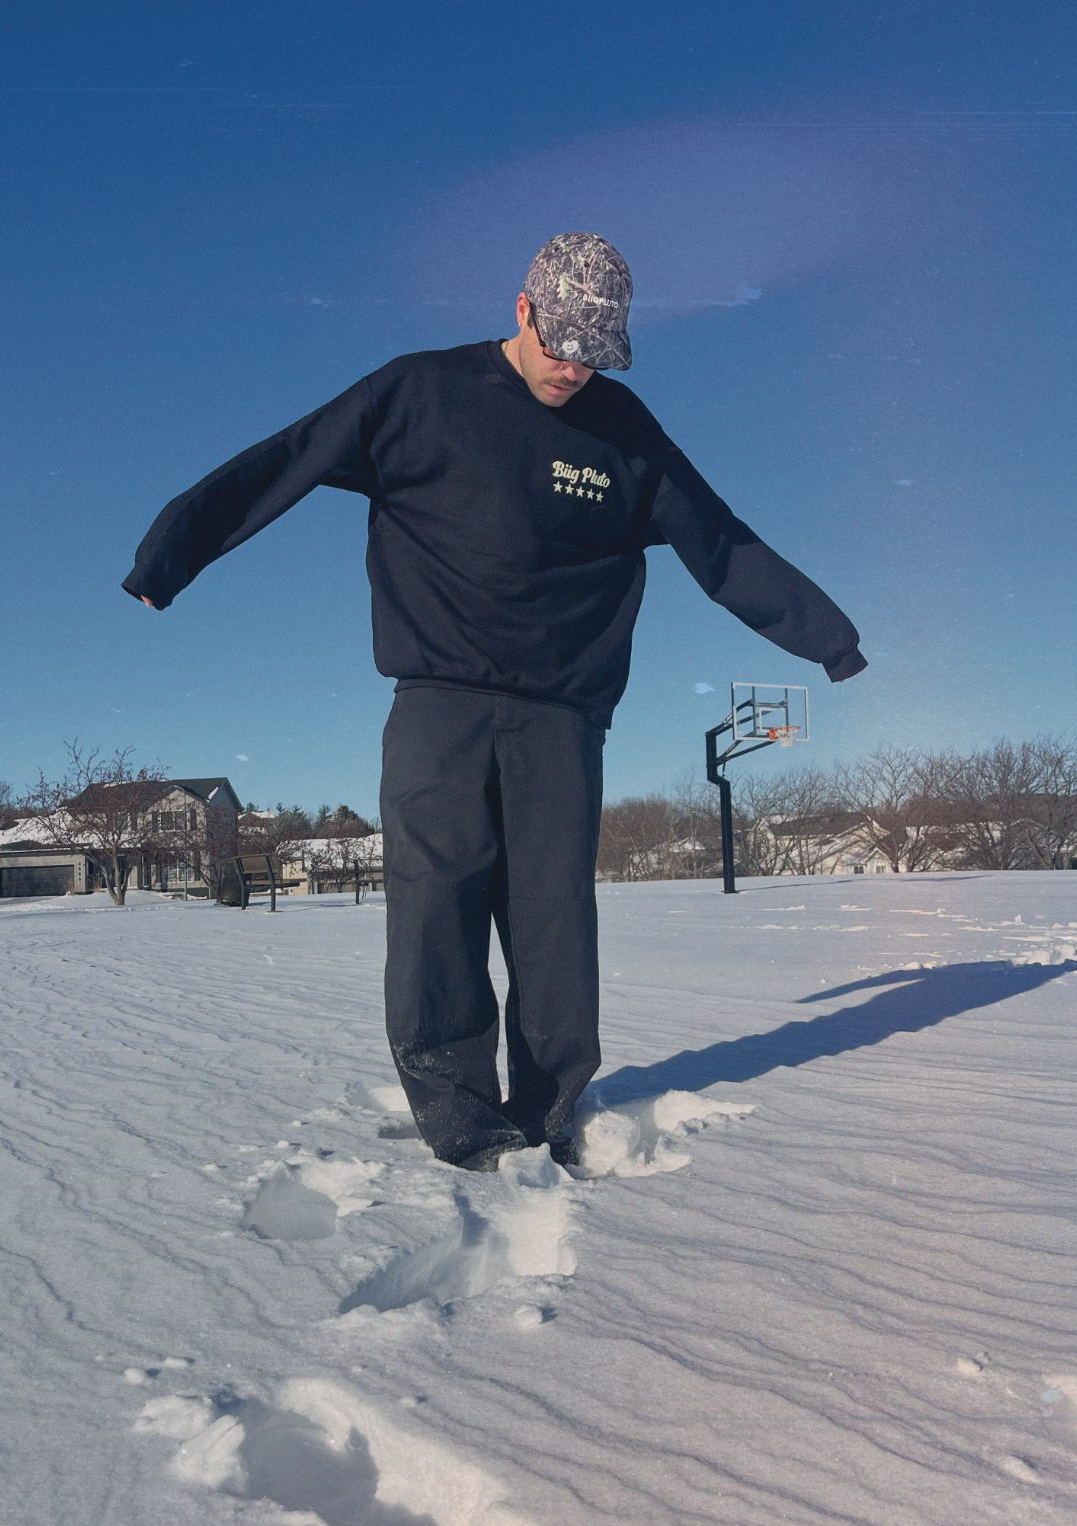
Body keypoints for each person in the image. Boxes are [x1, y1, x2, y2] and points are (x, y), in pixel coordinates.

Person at [123, 232, 867, 1172]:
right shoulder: (418, 393)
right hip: (438, 701)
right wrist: (172, 556)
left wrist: (828, 639)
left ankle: (555, 1104)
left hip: (564, 715)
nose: (573, 367)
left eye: (595, 353)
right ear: (521, 310)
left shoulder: (626, 431)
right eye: (560, 343)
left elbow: (720, 544)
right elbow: (289, 459)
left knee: (554, 913)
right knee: (436, 904)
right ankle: (458, 1116)